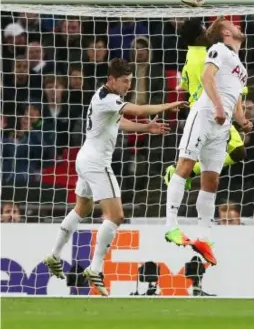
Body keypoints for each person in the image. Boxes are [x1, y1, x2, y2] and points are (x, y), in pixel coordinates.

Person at [43, 58, 187, 296]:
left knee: (82, 208)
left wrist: (145, 128)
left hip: (85, 158)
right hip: (97, 162)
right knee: (117, 215)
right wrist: (166, 106)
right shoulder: (108, 99)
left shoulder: (102, 96)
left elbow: (120, 122)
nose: (127, 86)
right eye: (124, 82)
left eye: (130, 82)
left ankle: (54, 254)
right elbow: (137, 110)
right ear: (111, 80)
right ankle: (95, 268)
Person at [164, 18, 252, 266]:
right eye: (234, 26)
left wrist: (242, 120)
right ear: (226, 33)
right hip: (204, 114)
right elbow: (206, 77)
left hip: (222, 124)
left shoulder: (240, 67)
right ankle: (171, 225)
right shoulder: (218, 49)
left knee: (211, 181)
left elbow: (233, 98)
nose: (239, 28)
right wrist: (216, 106)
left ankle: (204, 237)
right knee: (185, 165)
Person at [164, 17, 254, 189]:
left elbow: (186, 85)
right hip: (207, 110)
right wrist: (248, 90)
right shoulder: (204, 57)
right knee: (234, 152)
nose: (207, 34)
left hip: (203, 107)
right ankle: (177, 172)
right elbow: (218, 83)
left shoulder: (193, 53)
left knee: (233, 153)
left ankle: (185, 172)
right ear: (198, 38)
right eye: (204, 32)